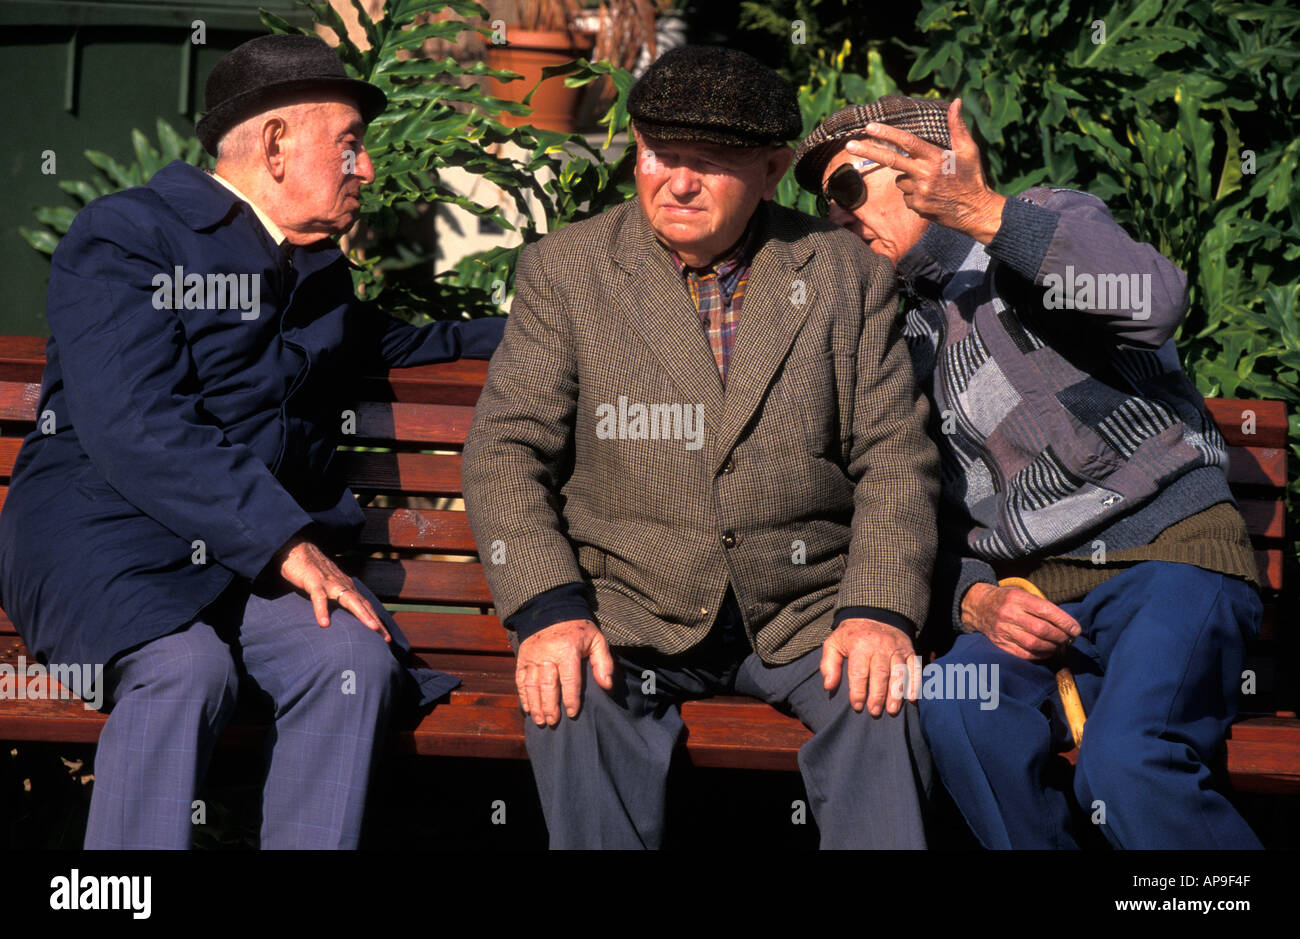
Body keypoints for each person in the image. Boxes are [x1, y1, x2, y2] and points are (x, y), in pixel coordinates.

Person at [0, 34, 504, 849]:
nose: (366, 168)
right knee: (184, 670)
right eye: (349, 143)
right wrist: (284, 543)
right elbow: (136, 421)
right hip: (109, 541)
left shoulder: (315, 270)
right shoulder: (127, 236)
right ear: (275, 146)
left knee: (353, 664)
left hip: (247, 562)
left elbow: (405, 345)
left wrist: (556, 326)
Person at [462, 46, 939, 850]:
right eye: (659, 155)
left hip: (804, 612)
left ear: (772, 168)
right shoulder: (569, 271)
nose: (677, 182)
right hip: (628, 607)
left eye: (709, 165)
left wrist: (878, 610)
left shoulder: (843, 274)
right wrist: (549, 609)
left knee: (878, 700)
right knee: (570, 694)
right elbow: (505, 450)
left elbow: (894, 456)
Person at [793, 94, 1263, 849]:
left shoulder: (1037, 225)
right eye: (823, 204)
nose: (838, 215)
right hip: (1030, 594)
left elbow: (1153, 300)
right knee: (953, 708)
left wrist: (981, 210)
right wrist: (973, 598)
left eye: (848, 188)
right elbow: (898, 511)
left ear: (925, 164)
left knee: (1127, 764)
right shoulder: (884, 333)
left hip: (1169, 558)